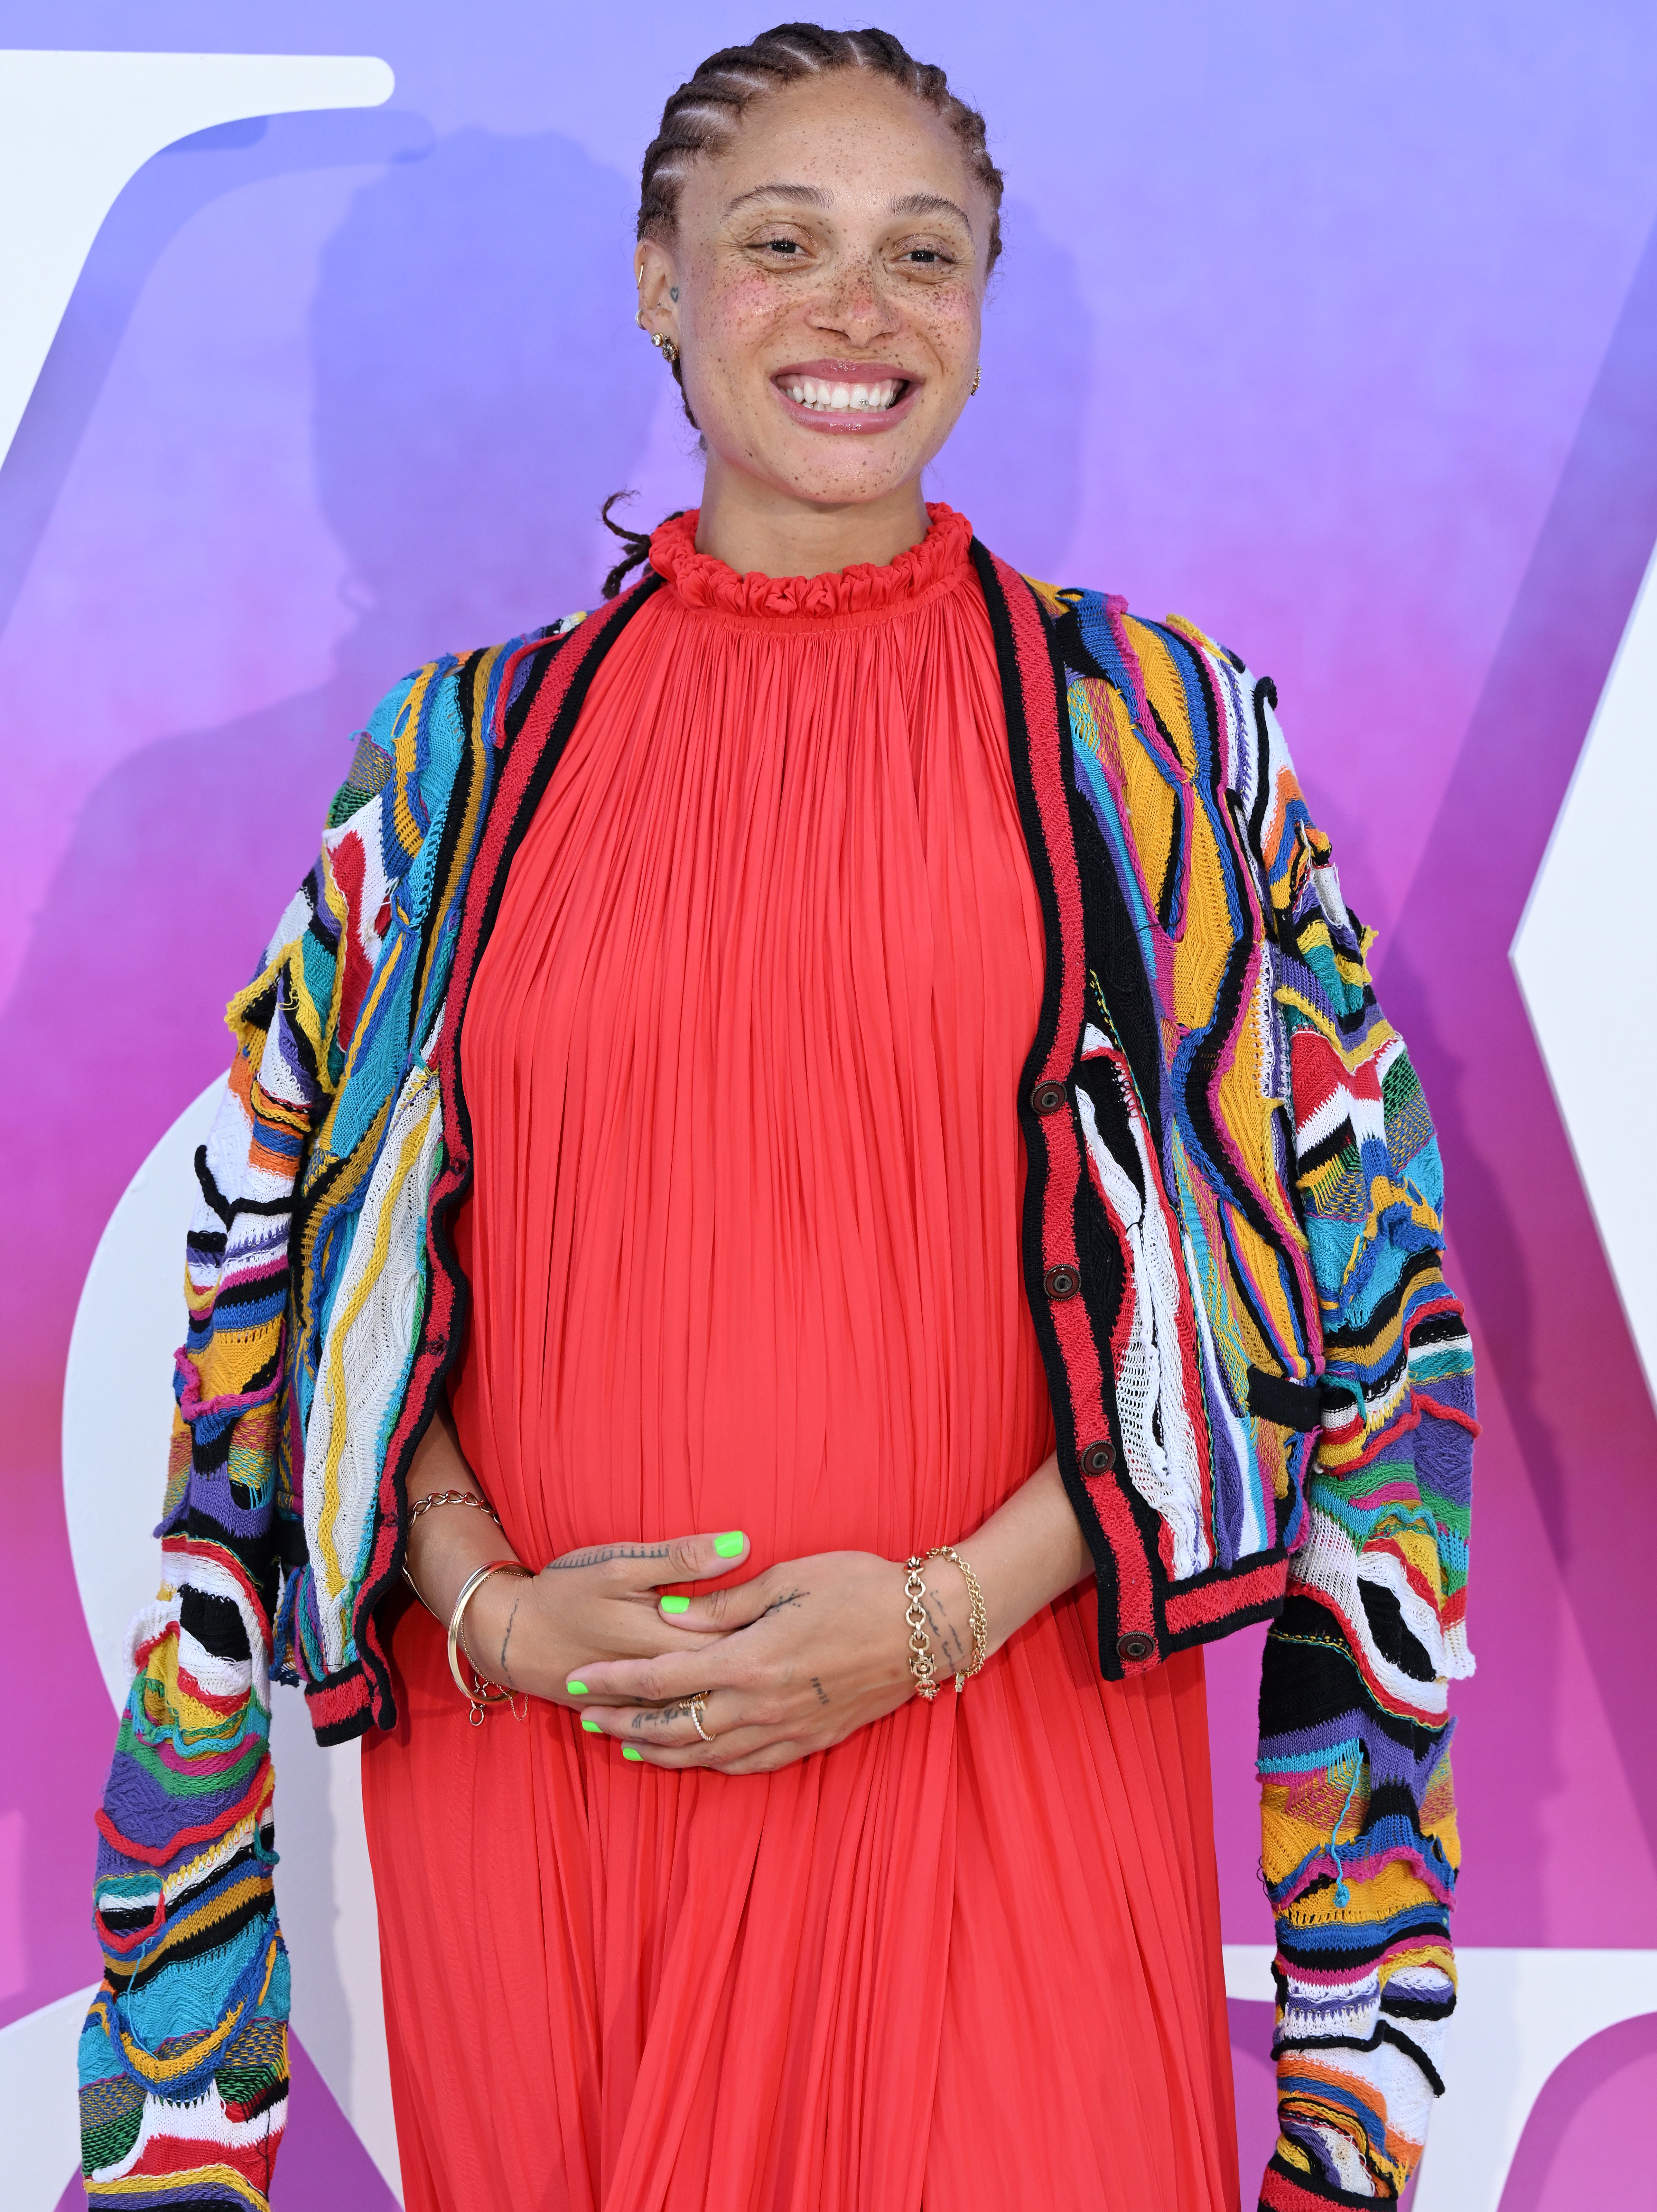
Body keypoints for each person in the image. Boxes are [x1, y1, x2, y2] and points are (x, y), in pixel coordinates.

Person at [78, 22, 1475, 2212]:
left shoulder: (1163, 738)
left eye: (925, 254)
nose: (859, 312)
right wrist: (482, 1605)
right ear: (656, 283)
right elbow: (303, 1274)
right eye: (781, 244)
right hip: (548, 1783)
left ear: (988, 311)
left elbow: (1328, 1303)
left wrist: (938, 1616)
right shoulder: (451, 763)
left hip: (998, 1737)